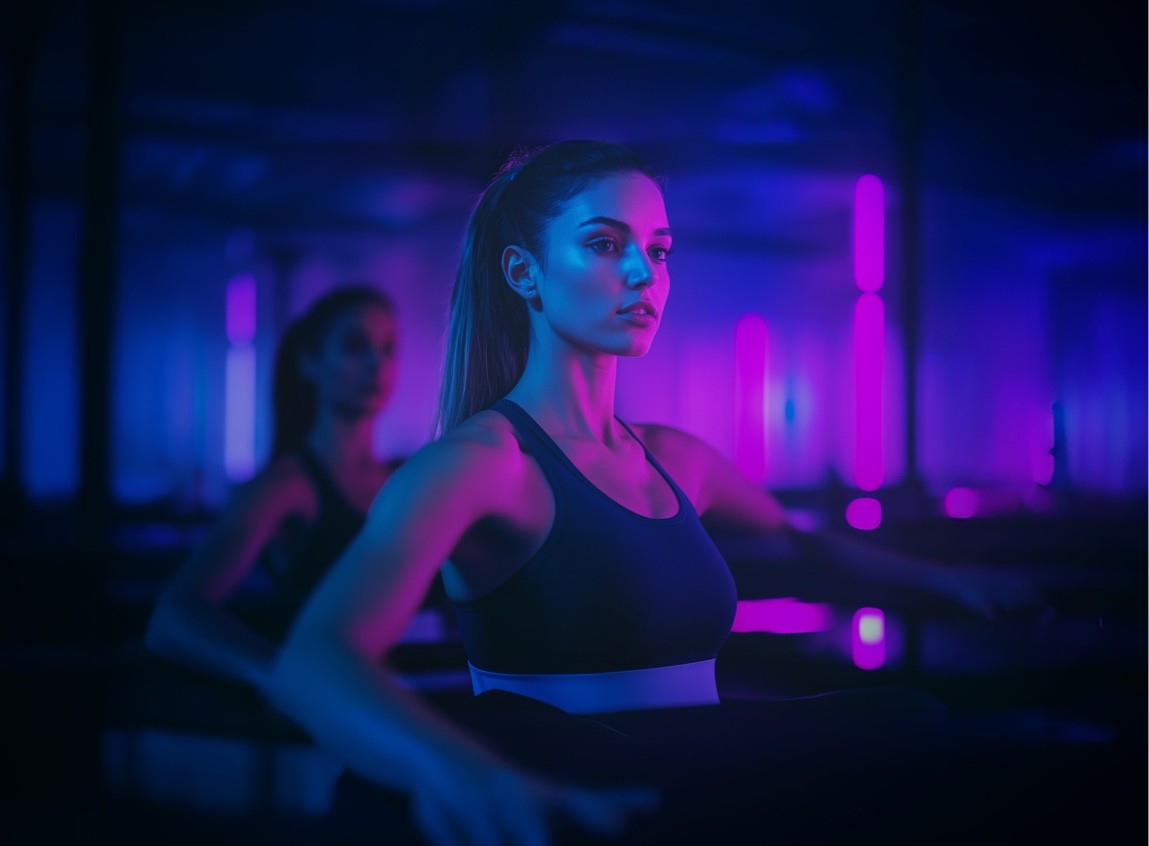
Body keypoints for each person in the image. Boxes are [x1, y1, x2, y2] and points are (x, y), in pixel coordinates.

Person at [269, 142, 1045, 845]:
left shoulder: (676, 457)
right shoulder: (478, 462)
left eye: (659, 250)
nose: (644, 274)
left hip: (703, 759)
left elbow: (798, 544)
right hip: (574, 771)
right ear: (523, 274)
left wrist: (947, 583)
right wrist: (466, 775)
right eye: (606, 245)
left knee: (921, 727)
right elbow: (315, 658)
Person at [146, 284, 407, 699]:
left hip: (416, 696)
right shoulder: (286, 486)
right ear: (310, 361)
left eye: (388, 348)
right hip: (330, 719)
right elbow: (174, 616)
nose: (377, 363)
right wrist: (282, 674)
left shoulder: (410, 477)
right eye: (357, 346)